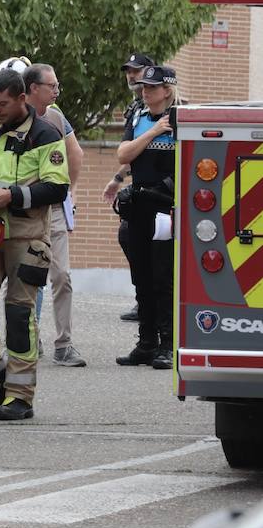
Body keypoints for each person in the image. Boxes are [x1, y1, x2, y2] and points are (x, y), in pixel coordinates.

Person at [0, 68, 69, 421]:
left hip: (26, 236)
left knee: (19, 314)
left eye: (2, 104)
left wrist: (13, 195)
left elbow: (57, 187)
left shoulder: (46, 134)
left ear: (22, 98)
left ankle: (20, 396)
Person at [114, 65, 178, 370]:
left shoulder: (181, 119)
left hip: (165, 207)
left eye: (152, 87)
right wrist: (153, 132)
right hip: (139, 204)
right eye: (143, 87)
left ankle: (168, 344)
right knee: (141, 277)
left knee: (162, 278)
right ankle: (146, 342)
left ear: (167, 89)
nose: (146, 91)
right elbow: (123, 154)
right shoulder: (139, 117)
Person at [24, 63, 87, 367]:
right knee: (25, 277)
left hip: (54, 209)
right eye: (52, 86)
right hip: (24, 209)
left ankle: (64, 344)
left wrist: (69, 191)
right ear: (33, 88)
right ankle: (27, 336)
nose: (56, 91)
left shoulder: (56, 117)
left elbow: (76, 154)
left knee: (61, 275)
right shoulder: (12, 118)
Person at [104, 52, 156, 324]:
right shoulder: (136, 109)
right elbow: (131, 151)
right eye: (128, 71)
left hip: (165, 191)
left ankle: (155, 301)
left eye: (137, 71)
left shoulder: (170, 107)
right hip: (140, 187)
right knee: (129, 237)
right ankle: (143, 299)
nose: (131, 76)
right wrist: (117, 178)